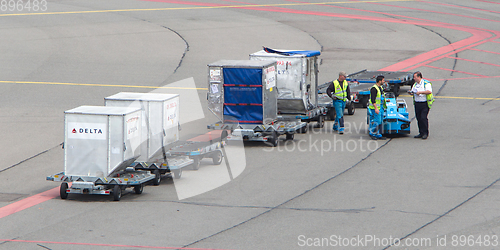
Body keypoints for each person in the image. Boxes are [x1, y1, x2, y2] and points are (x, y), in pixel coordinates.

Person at [409, 71, 434, 140]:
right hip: (417, 103)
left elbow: (429, 91)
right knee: (418, 118)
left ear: (419, 77)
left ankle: (425, 133)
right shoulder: (415, 84)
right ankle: (421, 132)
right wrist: (411, 92)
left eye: (415, 77)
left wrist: (420, 92)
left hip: (424, 103)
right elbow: (413, 91)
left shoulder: (426, 83)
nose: (414, 78)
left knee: (423, 118)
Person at [367, 75, 387, 140]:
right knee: (377, 121)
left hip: (380, 107)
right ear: (379, 81)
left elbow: (381, 97)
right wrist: (376, 108)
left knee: (380, 121)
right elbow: (373, 99)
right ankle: (372, 133)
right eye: (383, 80)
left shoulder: (380, 88)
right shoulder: (374, 88)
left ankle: (378, 134)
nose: (384, 81)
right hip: (375, 108)